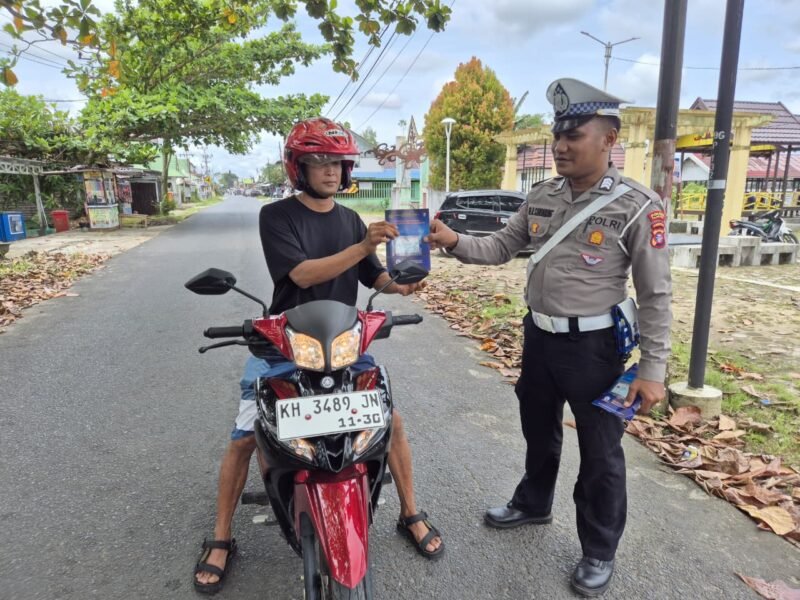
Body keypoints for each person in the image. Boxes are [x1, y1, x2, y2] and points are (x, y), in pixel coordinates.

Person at [426, 78, 671, 597]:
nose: (560, 146)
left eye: (573, 135)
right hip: (539, 339)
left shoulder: (637, 207)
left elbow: (655, 296)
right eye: (556, 137)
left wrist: (653, 369)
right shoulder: (540, 196)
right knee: (539, 429)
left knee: (601, 454)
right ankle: (533, 503)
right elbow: (499, 247)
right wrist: (452, 241)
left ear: (609, 138)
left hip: (596, 350)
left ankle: (598, 549)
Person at [194, 117, 443, 594]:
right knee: (246, 435)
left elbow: (376, 280)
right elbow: (304, 275)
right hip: (286, 339)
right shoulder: (277, 215)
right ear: (298, 167)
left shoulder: (350, 220)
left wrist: (410, 277)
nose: (331, 171)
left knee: (391, 424)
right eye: (319, 161)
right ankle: (222, 536)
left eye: (339, 163)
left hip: (344, 341)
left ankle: (410, 511)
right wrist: (363, 245)